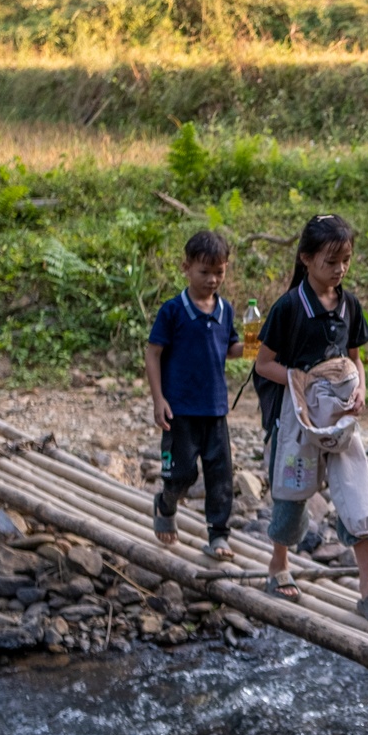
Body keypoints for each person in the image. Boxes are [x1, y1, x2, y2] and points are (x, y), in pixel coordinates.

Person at [251, 213, 368, 620]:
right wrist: (304, 384)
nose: (340, 269)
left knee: (356, 492)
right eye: (331, 261)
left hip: (342, 417)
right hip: (298, 418)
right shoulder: (289, 307)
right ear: (306, 259)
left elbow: (354, 359)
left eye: (345, 259)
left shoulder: (349, 304)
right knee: (292, 493)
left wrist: (360, 388)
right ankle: (279, 565)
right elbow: (263, 364)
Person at [144, 229, 242, 559]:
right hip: (180, 409)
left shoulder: (225, 310)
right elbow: (153, 353)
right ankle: (166, 504)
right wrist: (159, 399)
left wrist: (259, 345)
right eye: (205, 272)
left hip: (215, 409)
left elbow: (232, 349)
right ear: (185, 268)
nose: (212, 280)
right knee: (181, 473)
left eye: (219, 272)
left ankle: (218, 534)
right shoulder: (174, 311)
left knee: (221, 475)